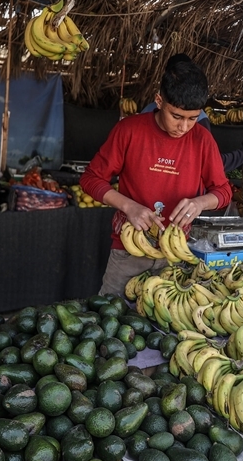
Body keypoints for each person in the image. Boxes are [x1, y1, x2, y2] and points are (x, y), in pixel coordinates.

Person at [81, 56, 231, 296]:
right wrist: (128, 206)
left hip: (174, 256)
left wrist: (200, 202)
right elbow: (90, 179)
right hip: (127, 252)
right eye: (177, 116)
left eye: (193, 118)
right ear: (159, 101)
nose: (184, 127)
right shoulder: (129, 130)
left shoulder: (203, 140)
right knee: (111, 319)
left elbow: (223, 191)